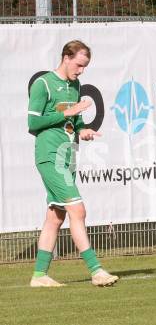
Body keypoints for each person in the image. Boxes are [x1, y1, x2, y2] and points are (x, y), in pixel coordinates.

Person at [28, 40, 119, 287]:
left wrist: (83, 130)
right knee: (78, 211)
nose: (81, 71)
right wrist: (68, 113)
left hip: (68, 157)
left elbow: (73, 123)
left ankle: (39, 275)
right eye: (79, 65)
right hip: (50, 157)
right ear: (66, 57)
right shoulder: (43, 84)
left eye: (85, 66)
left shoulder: (75, 85)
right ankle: (96, 270)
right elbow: (33, 124)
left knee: (55, 217)